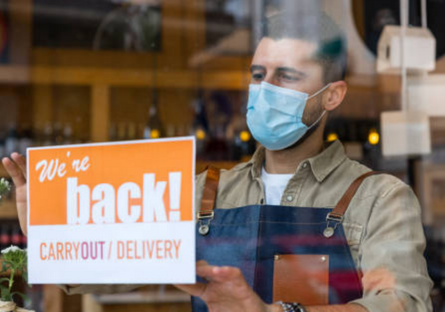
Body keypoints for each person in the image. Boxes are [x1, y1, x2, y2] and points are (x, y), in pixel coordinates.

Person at [2, 11, 432, 312]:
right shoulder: (202, 191)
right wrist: (46, 232)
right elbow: (108, 269)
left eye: (286, 77)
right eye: (258, 75)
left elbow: (402, 305)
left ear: (332, 96)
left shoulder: (379, 198)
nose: (264, 90)